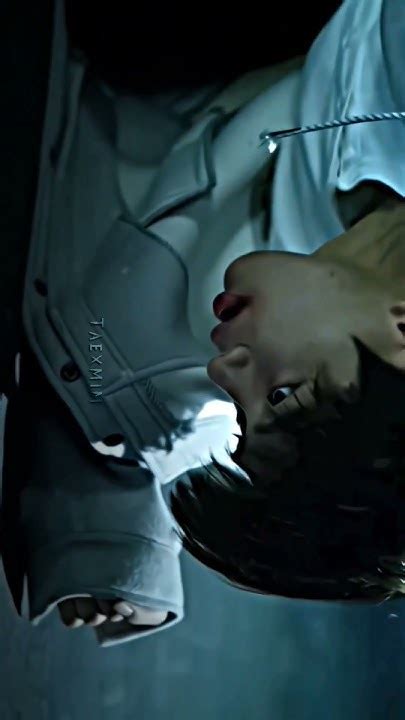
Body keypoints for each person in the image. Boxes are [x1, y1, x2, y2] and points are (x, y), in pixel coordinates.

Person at [1, 0, 404, 647]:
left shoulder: (283, 286)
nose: (225, 372)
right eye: (281, 393)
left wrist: (105, 513)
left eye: (242, 416)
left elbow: (116, 371)